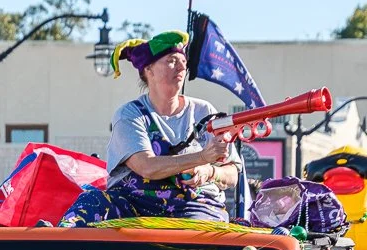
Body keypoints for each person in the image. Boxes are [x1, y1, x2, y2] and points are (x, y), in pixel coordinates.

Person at [60, 31, 241, 226]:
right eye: (171, 61)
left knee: (194, 232)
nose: (182, 67)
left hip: (194, 205)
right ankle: (58, 240)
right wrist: (202, 157)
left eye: (183, 61)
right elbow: (146, 166)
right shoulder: (130, 114)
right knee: (92, 202)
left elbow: (232, 173)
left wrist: (210, 171)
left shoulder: (205, 111)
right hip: (134, 204)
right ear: (148, 69)